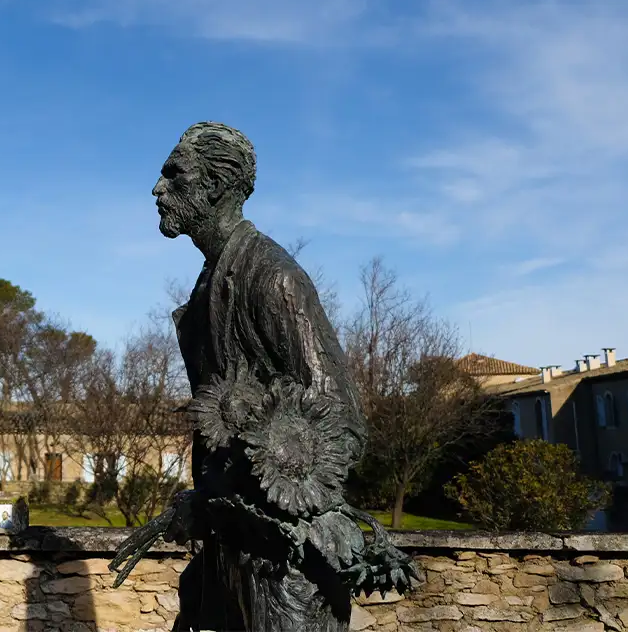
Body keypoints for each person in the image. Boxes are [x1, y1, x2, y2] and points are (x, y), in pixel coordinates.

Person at [110, 122, 415, 632]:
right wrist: (205, 498)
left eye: (175, 175)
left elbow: (340, 418)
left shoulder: (272, 278)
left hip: (282, 568)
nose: (158, 189)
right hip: (233, 554)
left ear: (219, 188)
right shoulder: (212, 278)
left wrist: (241, 492)